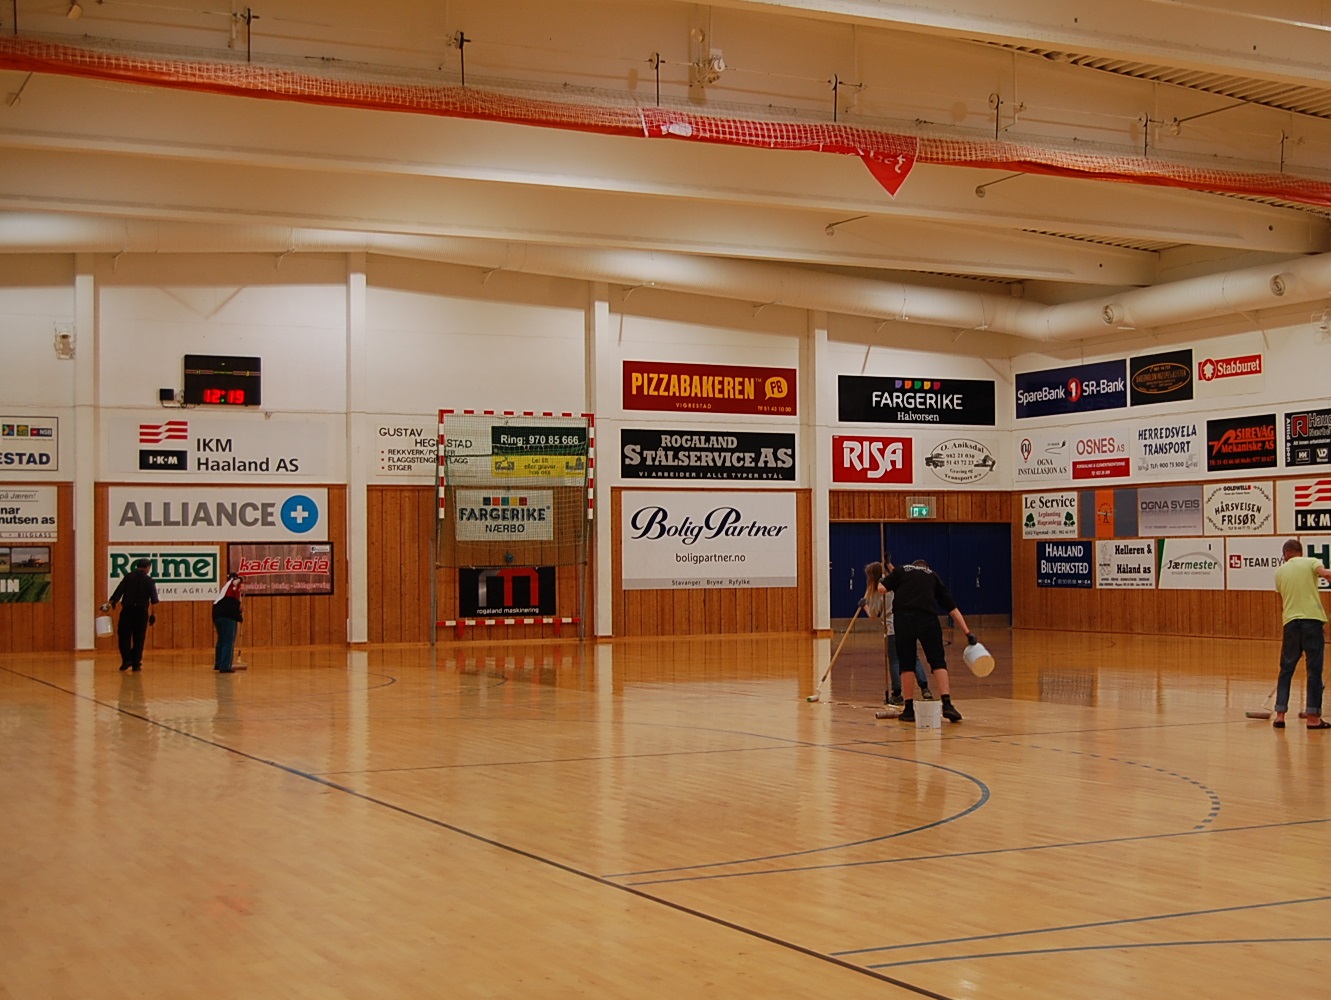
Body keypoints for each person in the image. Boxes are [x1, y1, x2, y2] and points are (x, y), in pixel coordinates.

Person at [879, 555, 979, 724]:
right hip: (927, 619)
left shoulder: (902, 571)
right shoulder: (933, 576)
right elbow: (952, 608)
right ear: (926, 567)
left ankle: (908, 709)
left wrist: (882, 581)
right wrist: (967, 633)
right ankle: (947, 704)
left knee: (907, 665)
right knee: (938, 662)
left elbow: (882, 589)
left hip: (903, 619)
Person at [1272, 539, 1331, 730]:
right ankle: (1312, 717)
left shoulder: (1280, 572)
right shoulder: (1311, 561)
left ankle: (1280, 715)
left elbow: (1282, 602)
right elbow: (1326, 573)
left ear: (1286, 553)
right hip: (1312, 621)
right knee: (1313, 670)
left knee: (1286, 669)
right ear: (1300, 551)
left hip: (1290, 623)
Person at [860, 561, 931, 706]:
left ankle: (897, 693)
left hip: (892, 629)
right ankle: (925, 688)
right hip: (908, 625)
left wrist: (864, 605)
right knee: (914, 658)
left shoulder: (878, 592)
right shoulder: (894, 584)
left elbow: (873, 615)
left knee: (894, 661)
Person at [100, 558, 160, 672]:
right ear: (148, 568)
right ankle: (136, 663)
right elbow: (154, 600)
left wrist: (109, 604)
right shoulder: (149, 580)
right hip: (141, 612)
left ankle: (126, 660)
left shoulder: (128, 577)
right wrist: (153, 614)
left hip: (127, 611)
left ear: (137, 566)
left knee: (124, 636)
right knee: (139, 638)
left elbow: (118, 592)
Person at [213, 573, 244, 673]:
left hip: (217, 615)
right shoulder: (232, 584)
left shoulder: (225, 590)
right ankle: (225, 666)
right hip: (228, 616)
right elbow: (235, 581)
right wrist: (241, 578)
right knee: (228, 641)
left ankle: (219, 663)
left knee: (221, 640)